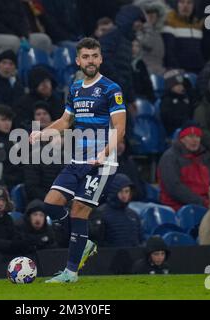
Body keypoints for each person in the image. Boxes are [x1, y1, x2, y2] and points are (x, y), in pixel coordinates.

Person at [30, 37, 126, 283]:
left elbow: (119, 128)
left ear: (100, 58)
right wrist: (42, 133)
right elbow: (65, 121)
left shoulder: (111, 89)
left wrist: (104, 153)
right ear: (77, 60)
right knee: (51, 204)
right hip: (78, 159)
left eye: (94, 56)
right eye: (86, 56)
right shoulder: (74, 89)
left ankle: (70, 273)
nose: (90, 61)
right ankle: (83, 241)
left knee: (78, 210)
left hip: (102, 163)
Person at [158, 122, 210, 211]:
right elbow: (174, 188)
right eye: (190, 136)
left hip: (202, 204)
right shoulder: (170, 157)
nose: (195, 140)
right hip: (178, 206)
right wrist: (201, 202)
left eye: (197, 137)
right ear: (182, 139)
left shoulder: (203, 157)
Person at [100, 5, 146, 107]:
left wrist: (131, 98)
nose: (140, 25)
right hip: (107, 92)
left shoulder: (127, 42)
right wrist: (116, 81)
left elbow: (127, 72)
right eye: (138, 20)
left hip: (119, 92)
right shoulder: (112, 37)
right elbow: (103, 61)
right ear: (129, 19)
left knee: (125, 121)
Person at [24, 102, 64, 202]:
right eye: (38, 114)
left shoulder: (65, 154)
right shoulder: (29, 146)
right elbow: (32, 186)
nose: (42, 117)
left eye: (45, 113)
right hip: (42, 197)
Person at [92, 174, 143, 248]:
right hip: (107, 257)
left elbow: (140, 240)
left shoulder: (133, 215)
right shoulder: (100, 213)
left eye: (127, 191)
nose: (124, 195)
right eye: (121, 191)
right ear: (113, 192)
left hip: (132, 258)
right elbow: (97, 242)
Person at [162, 0, 204, 73]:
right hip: (178, 71)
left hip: (198, 70)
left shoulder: (198, 24)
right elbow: (168, 51)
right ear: (176, 4)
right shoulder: (170, 22)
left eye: (189, 3)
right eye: (182, 2)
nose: (185, 6)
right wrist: (175, 69)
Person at [0, 105, 23, 190]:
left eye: (9, 120)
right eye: (3, 119)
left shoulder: (15, 139)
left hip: (16, 181)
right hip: (0, 183)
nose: (7, 123)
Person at [134, 0, 168, 75]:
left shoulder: (159, 32)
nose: (151, 15)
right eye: (147, 12)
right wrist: (147, 25)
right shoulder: (138, 32)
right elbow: (148, 43)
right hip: (144, 72)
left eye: (153, 11)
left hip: (160, 72)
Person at [160, 69, 196, 136]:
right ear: (170, 87)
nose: (180, 87)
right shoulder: (166, 101)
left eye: (181, 85)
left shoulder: (185, 98)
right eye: (177, 85)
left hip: (189, 127)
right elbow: (169, 119)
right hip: (176, 131)